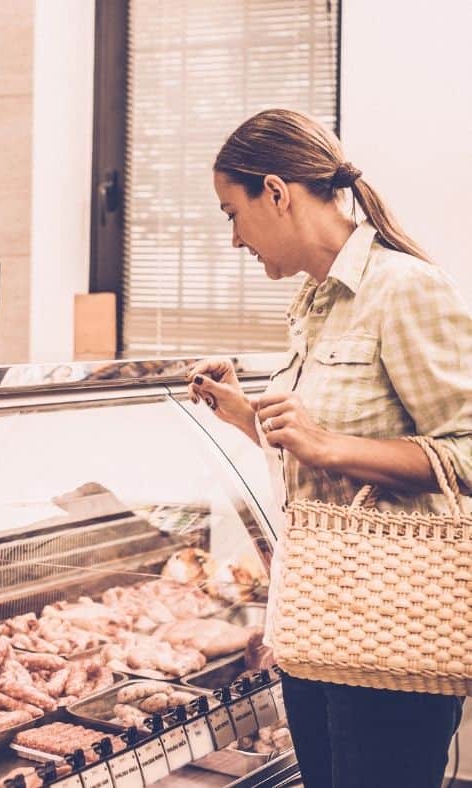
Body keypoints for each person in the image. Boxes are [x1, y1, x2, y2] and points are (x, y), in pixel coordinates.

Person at [188, 109, 471, 787]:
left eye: (233, 212)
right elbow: (321, 453)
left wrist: (329, 444)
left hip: (396, 632)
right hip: (318, 626)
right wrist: (246, 417)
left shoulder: (404, 288)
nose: (233, 239)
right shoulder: (314, 302)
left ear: (278, 193)